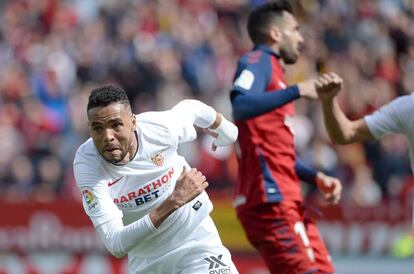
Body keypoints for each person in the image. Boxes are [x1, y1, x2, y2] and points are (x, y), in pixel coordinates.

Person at [73, 85, 239, 273]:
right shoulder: (87, 164)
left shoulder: (159, 129)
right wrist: (174, 201)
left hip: (196, 243)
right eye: (98, 128)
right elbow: (115, 243)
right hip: (148, 262)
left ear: (133, 122)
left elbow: (192, 109)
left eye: (116, 125)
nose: (107, 136)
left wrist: (226, 129)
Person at [229, 2, 342, 274]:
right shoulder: (258, 61)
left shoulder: (276, 74)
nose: (301, 38)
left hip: (288, 198)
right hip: (269, 201)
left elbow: (275, 153)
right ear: (276, 34)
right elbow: (240, 104)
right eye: (295, 30)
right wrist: (298, 90)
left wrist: (315, 177)